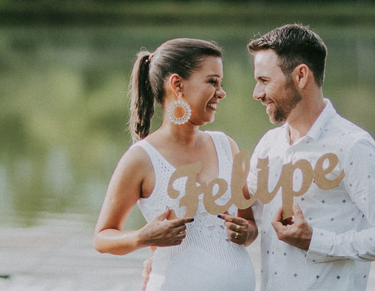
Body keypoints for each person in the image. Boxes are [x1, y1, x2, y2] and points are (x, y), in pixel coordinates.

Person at [247, 24, 375, 291]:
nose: (256, 93)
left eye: (264, 81)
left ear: (301, 75)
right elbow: (250, 221)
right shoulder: (268, 145)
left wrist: (315, 241)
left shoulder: (353, 146)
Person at [94, 38, 257, 291]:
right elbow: (102, 237)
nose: (222, 92)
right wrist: (141, 237)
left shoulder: (227, 146)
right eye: (212, 82)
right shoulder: (141, 158)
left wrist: (246, 232)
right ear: (177, 85)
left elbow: (250, 223)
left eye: (220, 83)